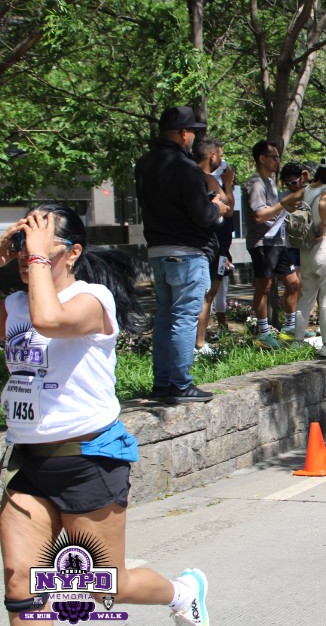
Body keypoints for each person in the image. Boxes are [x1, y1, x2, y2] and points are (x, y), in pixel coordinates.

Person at [0, 205, 210, 625]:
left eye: (39, 242)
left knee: (103, 586)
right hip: (31, 463)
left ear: (73, 253)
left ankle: (183, 593)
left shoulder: (92, 299)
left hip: (88, 462)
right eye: (22, 241)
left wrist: (35, 254)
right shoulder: (15, 304)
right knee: (20, 584)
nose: (26, 252)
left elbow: (49, 320)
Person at [135, 106, 227, 403]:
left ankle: (162, 383)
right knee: (185, 317)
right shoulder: (185, 167)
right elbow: (202, 215)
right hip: (187, 252)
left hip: (157, 250)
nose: (194, 138)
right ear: (183, 133)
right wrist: (217, 208)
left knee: (164, 316)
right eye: (192, 132)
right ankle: (181, 384)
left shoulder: (145, 163)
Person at [280, 156, 326, 357]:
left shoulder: (307, 189)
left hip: (307, 248)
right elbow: (324, 203)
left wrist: (301, 217)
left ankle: (298, 342)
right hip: (325, 246)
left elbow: (285, 202)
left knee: (306, 297)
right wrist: (324, 225)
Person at [244, 140, 303, 349]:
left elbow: (277, 210)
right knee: (264, 286)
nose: (278, 161)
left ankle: (290, 327)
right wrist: (285, 203)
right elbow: (259, 215)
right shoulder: (256, 184)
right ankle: (263, 333)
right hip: (262, 242)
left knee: (293, 283)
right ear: (262, 158)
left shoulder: (270, 183)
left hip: (278, 241)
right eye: (274, 157)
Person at [193, 136, 236, 357]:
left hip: (204, 245)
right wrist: (228, 184)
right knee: (208, 294)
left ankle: (197, 342)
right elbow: (228, 208)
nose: (222, 159)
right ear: (212, 156)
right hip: (213, 245)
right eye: (220, 154)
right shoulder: (207, 178)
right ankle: (199, 344)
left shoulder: (189, 176)